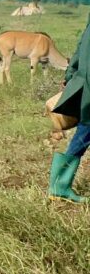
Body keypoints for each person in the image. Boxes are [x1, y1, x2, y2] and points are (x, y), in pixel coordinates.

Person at [49, 14, 90, 203]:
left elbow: (80, 48)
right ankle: (60, 187)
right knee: (84, 133)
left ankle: (59, 186)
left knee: (84, 132)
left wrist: (70, 75)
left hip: (85, 84)